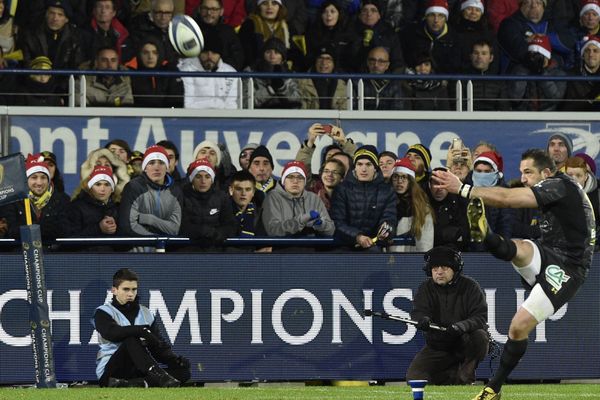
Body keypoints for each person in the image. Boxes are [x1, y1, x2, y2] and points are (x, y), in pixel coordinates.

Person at [432, 149, 595, 400]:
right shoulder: (558, 188)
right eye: (521, 172)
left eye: (528, 172)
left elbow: (508, 199)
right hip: (549, 251)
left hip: (569, 268)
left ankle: (493, 388)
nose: (524, 178)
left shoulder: (559, 185)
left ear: (547, 173)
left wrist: (463, 188)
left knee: (518, 328)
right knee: (519, 247)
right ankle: (486, 235)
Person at [93, 268, 191, 387]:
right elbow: (112, 333)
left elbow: (158, 347)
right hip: (111, 370)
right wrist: (141, 331)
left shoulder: (146, 313)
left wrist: (176, 361)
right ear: (114, 290)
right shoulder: (103, 312)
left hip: (138, 368)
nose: (130, 294)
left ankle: (133, 384)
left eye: (134, 289)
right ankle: (159, 378)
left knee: (184, 373)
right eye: (126, 289)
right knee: (131, 339)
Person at [407, 246, 489, 385]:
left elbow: (480, 318)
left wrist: (461, 326)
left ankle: (466, 377)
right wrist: (423, 320)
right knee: (415, 378)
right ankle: (451, 374)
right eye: (435, 269)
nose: (439, 272)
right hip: (438, 346)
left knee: (480, 336)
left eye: (444, 268)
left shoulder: (470, 286)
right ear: (429, 271)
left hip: (464, 342)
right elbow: (419, 312)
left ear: (455, 270)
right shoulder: (425, 288)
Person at [329, 145, 397, 251]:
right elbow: (337, 222)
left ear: (375, 168)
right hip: (343, 245)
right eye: (359, 164)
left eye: (368, 164)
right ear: (355, 167)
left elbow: (389, 218)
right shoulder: (341, 189)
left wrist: (386, 230)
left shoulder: (387, 191)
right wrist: (357, 236)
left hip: (372, 246)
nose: (363, 169)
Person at [4, 154, 70, 247]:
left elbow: (65, 230)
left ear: (49, 180)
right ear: (25, 180)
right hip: (19, 255)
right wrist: (44, 228)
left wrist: (32, 229)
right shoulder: (14, 200)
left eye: (43, 177)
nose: (39, 183)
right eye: (34, 177)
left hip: (54, 256)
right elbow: (12, 231)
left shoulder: (62, 200)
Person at [118, 145, 183, 240]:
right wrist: (156, 239)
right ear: (145, 168)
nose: (156, 168)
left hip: (166, 248)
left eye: (161, 163)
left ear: (167, 167)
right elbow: (128, 226)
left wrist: (149, 219)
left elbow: (174, 229)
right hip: (136, 248)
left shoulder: (175, 191)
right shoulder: (133, 187)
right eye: (151, 163)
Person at [262, 160, 335, 239]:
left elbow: (331, 230)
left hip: (311, 248)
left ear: (305, 182)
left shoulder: (314, 198)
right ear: (283, 181)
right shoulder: (273, 197)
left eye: (300, 177)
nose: (295, 181)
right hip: (282, 249)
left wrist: (321, 225)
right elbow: (273, 230)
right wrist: (300, 221)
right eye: (290, 177)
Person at [179, 159, 237, 250]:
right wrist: (202, 231)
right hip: (188, 250)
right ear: (192, 179)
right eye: (198, 176)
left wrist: (217, 234)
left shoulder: (222, 198)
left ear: (212, 179)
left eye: (207, 176)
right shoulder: (182, 197)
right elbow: (181, 226)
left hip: (216, 249)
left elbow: (230, 226)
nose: (203, 181)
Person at [178, 27, 238, 109]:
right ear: (198, 53)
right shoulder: (186, 69)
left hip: (223, 120)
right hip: (193, 120)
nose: (209, 56)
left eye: (214, 52)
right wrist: (217, 104)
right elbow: (188, 105)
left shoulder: (231, 72)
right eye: (205, 52)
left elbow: (232, 106)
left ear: (220, 54)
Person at [506, 34, 567, 111]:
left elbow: (555, 99)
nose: (535, 59)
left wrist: (542, 73)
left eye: (539, 56)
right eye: (532, 55)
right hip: (523, 115)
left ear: (547, 57)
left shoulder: (559, 74)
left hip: (548, 115)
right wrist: (524, 70)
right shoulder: (519, 70)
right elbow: (515, 98)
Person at [67, 165, 120, 251]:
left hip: (112, 260)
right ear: (90, 187)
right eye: (98, 184)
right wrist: (99, 228)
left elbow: (124, 246)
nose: (102, 189)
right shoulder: (77, 207)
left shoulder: (118, 208)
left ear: (112, 189)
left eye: (107, 184)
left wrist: (116, 231)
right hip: (83, 260)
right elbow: (69, 242)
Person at [400, 0, 461, 74]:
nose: (436, 20)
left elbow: (455, 65)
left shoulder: (454, 38)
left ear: (446, 18)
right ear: (426, 17)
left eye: (440, 16)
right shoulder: (411, 34)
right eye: (432, 15)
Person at [388, 158, 434, 252]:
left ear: (410, 181)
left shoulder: (422, 208)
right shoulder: (383, 204)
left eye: (404, 177)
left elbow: (425, 245)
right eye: (396, 177)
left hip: (411, 261)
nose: (399, 181)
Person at [244, 37, 302, 109]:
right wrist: (269, 90)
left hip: (286, 115)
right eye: (268, 52)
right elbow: (246, 102)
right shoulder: (250, 72)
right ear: (263, 55)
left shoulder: (290, 74)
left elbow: (298, 100)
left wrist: (282, 88)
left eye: (277, 52)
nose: (272, 56)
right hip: (258, 115)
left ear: (282, 57)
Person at [126, 38, 184, 108]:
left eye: (155, 53)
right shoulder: (131, 74)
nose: (150, 57)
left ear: (160, 54)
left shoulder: (170, 71)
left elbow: (176, 101)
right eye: (145, 53)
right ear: (139, 55)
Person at [192, 0, 244, 70]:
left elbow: (238, 59)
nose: (209, 13)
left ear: (221, 11)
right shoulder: (191, 30)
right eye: (205, 8)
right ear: (199, 9)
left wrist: (218, 66)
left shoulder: (228, 32)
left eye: (214, 9)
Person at [298, 44, 348, 110]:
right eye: (320, 58)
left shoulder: (343, 85)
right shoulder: (301, 83)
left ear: (334, 64)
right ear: (315, 62)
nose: (324, 62)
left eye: (328, 59)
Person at [356, 46, 406, 110]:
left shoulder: (394, 85)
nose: (376, 65)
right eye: (372, 60)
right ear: (367, 63)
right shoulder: (357, 83)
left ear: (387, 65)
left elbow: (397, 110)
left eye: (381, 61)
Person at [562, 35, 600, 111]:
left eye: (595, 51)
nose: (591, 55)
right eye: (587, 51)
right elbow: (568, 108)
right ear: (582, 55)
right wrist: (590, 98)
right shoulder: (572, 76)